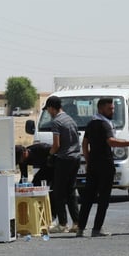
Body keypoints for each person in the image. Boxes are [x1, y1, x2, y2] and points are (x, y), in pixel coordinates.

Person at [75, 97, 129, 238]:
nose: (112, 111)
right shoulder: (104, 124)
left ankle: (81, 229)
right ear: (101, 109)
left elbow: (85, 143)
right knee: (103, 198)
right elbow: (111, 142)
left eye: (113, 108)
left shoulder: (91, 123)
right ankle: (96, 229)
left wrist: (89, 160)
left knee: (88, 198)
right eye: (109, 108)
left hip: (94, 165)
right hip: (105, 165)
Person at [44, 95, 81, 231]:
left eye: (48, 109)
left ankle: (63, 224)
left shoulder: (56, 122)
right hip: (75, 158)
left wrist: (50, 155)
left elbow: (56, 144)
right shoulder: (70, 119)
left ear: (52, 108)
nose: (48, 112)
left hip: (64, 159)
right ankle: (76, 223)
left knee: (59, 192)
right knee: (71, 191)